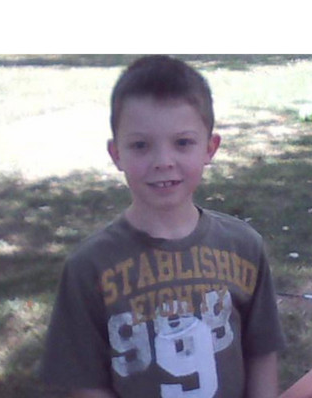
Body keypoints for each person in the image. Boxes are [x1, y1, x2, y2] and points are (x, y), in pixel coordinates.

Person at [40, 55, 285, 398]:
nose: (163, 161)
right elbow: (86, 382)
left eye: (182, 142)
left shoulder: (244, 247)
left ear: (210, 148)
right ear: (116, 154)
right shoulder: (88, 267)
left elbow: (262, 353)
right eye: (140, 145)